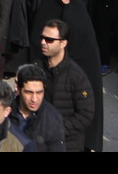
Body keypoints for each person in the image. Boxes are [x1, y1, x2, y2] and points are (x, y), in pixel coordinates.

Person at [38, 19, 95, 152]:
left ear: (63, 43)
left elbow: (86, 114)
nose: (43, 42)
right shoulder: (36, 68)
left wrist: (57, 128)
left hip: (68, 144)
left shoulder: (77, 76)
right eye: (42, 38)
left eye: (49, 40)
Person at [10, 64, 65, 153]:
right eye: (29, 92)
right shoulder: (5, 110)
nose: (34, 99)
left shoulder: (53, 118)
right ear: (18, 90)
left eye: (39, 92)